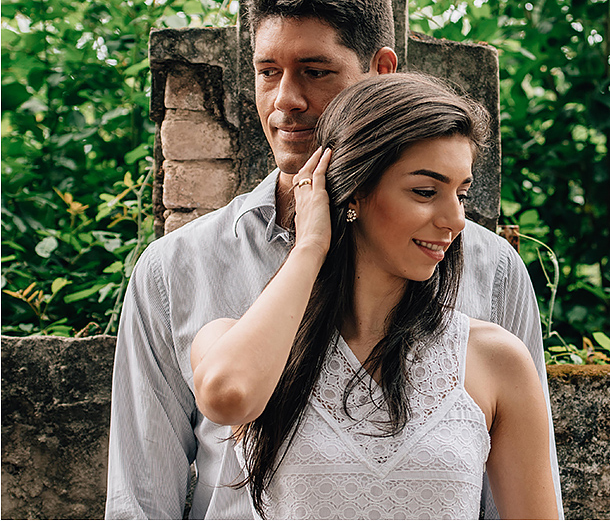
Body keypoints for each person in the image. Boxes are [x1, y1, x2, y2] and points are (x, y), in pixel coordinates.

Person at [105, 0, 563, 519]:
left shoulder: (490, 269)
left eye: (316, 72)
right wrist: (310, 247)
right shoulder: (178, 269)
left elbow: (510, 499)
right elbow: (140, 502)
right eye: (268, 73)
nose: (285, 103)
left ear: (382, 74)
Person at [191, 73, 558, 519]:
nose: (456, 220)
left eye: (460, 194)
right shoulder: (237, 341)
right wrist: (309, 247)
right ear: (355, 193)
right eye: (425, 192)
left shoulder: (495, 359)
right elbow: (228, 396)